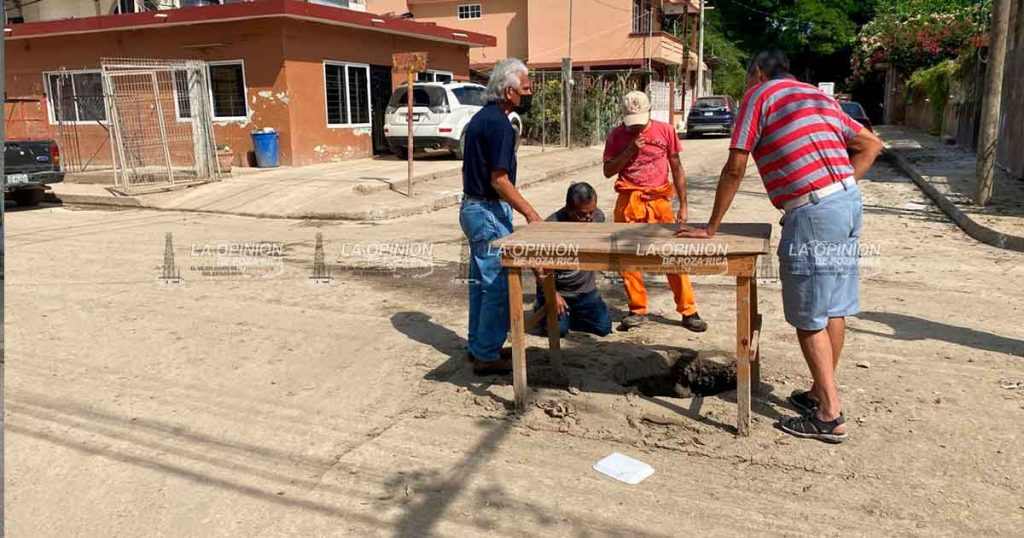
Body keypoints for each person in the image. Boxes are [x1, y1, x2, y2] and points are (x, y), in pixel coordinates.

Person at [675, 49, 884, 443]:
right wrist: (838, 189)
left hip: (814, 213)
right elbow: (871, 144)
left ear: (757, 72)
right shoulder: (815, 95)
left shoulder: (759, 96)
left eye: (747, 78)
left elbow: (735, 165)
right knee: (833, 307)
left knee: (808, 316)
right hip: (847, 204)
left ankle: (828, 414)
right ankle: (819, 393)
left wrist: (710, 227)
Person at [459, 58, 541, 376]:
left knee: (480, 284)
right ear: (508, 91)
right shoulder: (501, 125)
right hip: (488, 210)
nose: (529, 92)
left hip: (472, 207)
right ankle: (487, 354)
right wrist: (531, 214)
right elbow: (500, 180)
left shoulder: (482, 118)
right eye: (525, 87)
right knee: (497, 286)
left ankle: (478, 345)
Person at [603, 91, 708, 333]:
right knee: (627, 258)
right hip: (629, 201)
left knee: (672, 256)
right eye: (631, 122)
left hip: (659, 200)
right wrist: (629, 150)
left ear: (649, 112)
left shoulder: (665, 130)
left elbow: (677, 167)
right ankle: (637, 309)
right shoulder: (617, 136)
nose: (636, 127)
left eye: (640, 121)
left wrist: (683, 205)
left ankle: (688, 310)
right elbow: (608, 171)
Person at [531, 182, 613, 338]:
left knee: (603, 328)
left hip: (584, 292)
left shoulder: (598, 218)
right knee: (557, 332)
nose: (588, 219)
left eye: (591, 212)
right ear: (568, 209)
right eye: (582, 215)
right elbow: (535, 263)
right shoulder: (551, 227)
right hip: (557, 291)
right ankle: (543, 308)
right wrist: (552, 294)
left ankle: (571, 315)